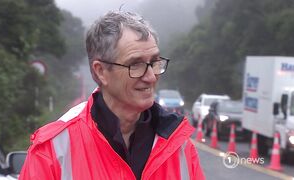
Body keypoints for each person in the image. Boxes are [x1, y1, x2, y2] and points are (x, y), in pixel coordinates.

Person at [19, 11, 205, 180]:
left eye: (154, 62)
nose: (150, 77)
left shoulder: (177, 143)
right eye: (136, 65)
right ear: (101, 72)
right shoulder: (53, 149)